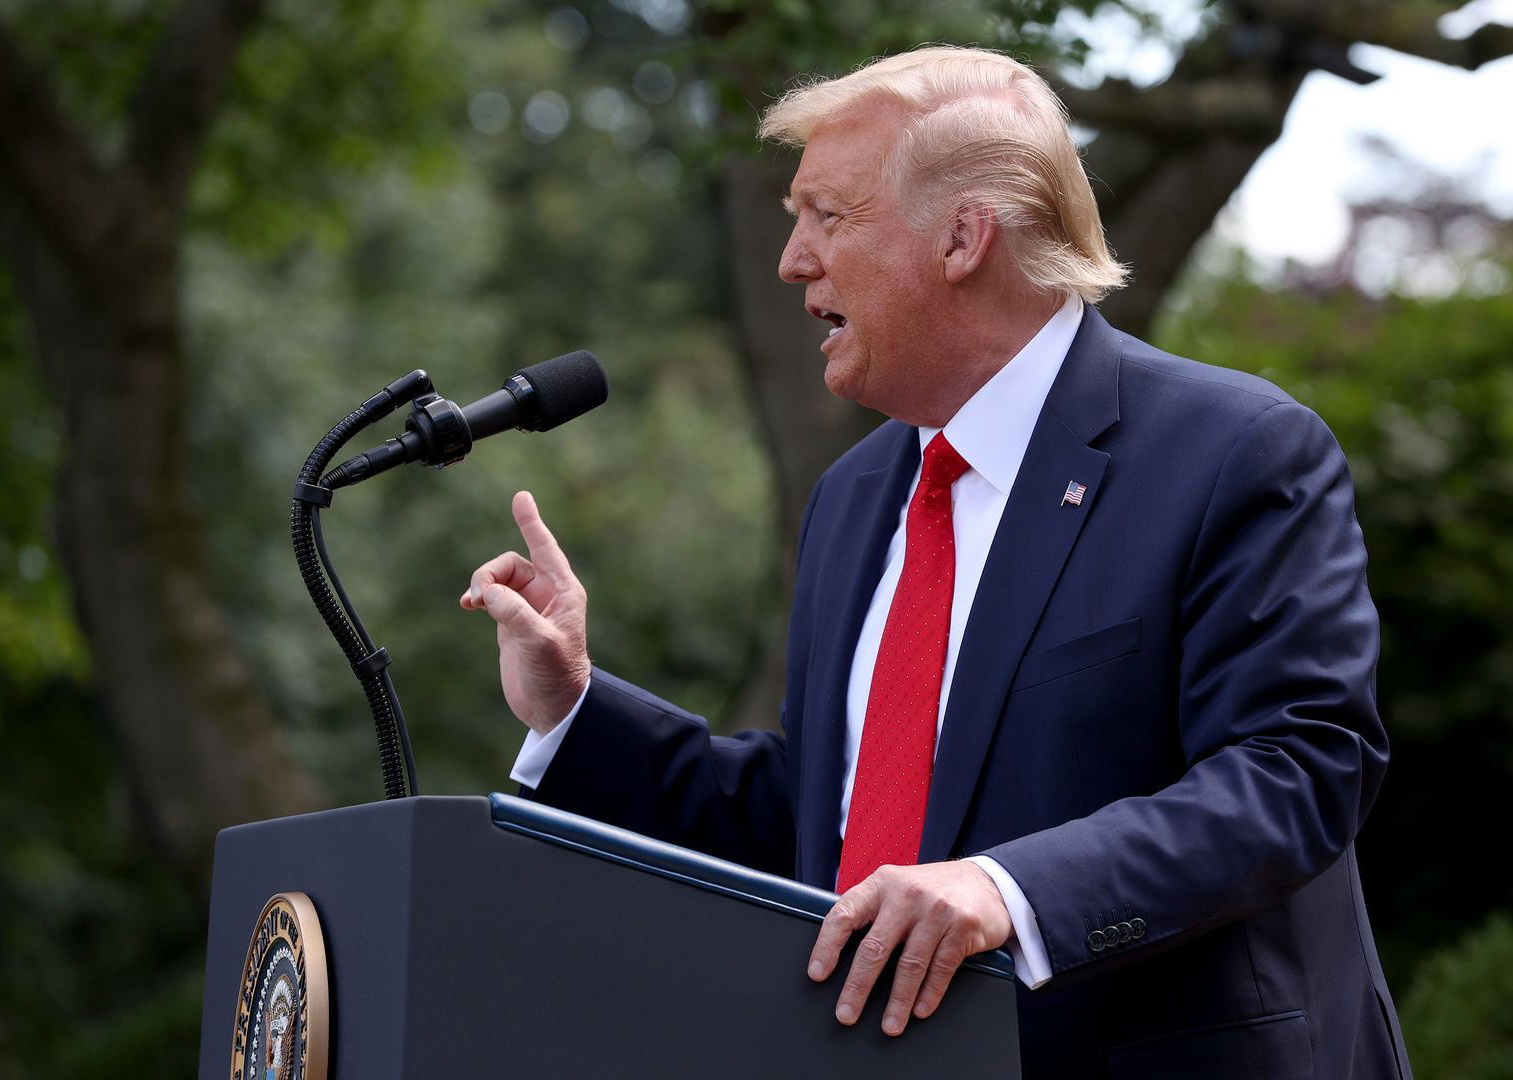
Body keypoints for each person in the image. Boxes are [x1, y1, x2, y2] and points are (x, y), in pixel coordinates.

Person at [463, 45, 1411, 1079]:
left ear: (964, 238)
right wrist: (575, 712)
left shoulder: (1235, 452)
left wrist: (1007, 892)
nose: (792, 258)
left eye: (828, 215)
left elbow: (1298, 768)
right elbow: (833, 819)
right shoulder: (856, 498)